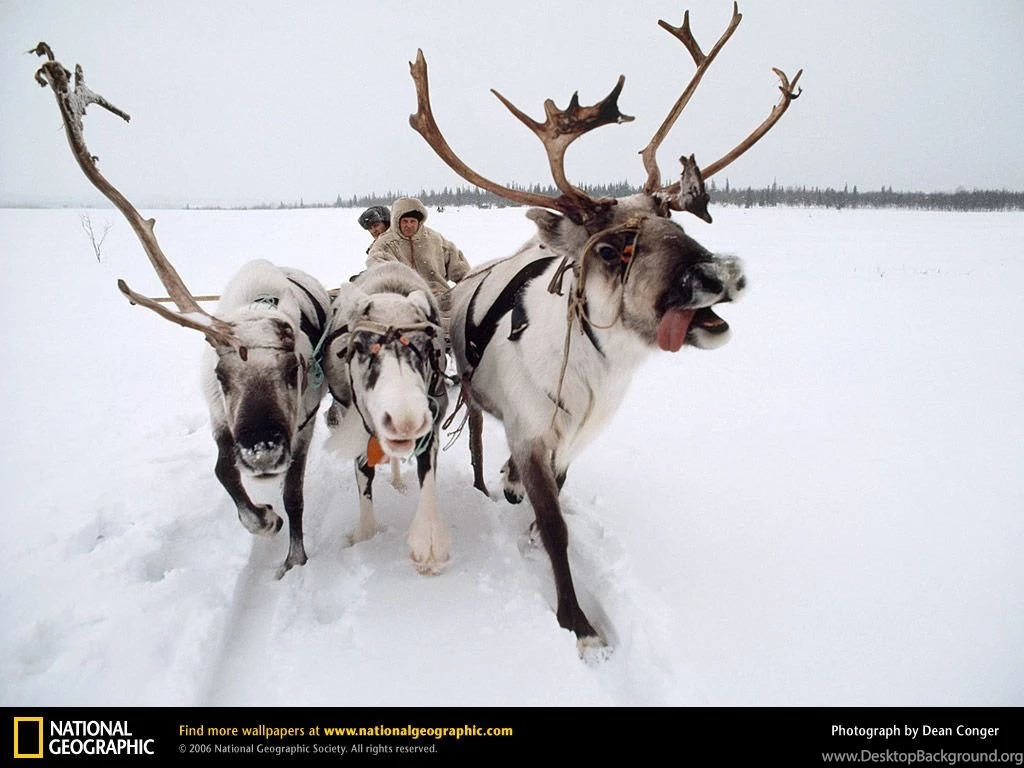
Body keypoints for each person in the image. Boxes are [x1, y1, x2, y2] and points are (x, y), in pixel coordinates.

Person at [367, 197, 470, 324]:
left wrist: (467, 288)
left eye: (412, 221)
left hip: (440, 298)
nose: (409, 225)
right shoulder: (384, 244)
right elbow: (378, 266)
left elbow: (460, 267)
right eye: (405, 221)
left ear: (419, 221)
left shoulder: (435, 239)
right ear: (396, 221)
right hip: (403, 301)